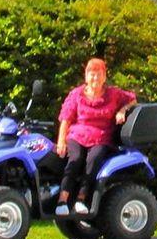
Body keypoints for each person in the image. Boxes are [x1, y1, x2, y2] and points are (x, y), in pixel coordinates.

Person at [54, 57, 138, 216]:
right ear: (86, 76)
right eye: (92, 74)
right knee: (75, 159)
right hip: (77, 135)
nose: (95, 78)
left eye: (99, 74)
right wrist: (61, 141)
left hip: (101, 136)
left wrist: (122, 110)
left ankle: (81, 200)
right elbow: (65, 119)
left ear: (104, 77)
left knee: (93, 160)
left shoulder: (113, 94)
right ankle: (62, 200)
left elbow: (132, 99)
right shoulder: (76, 94)